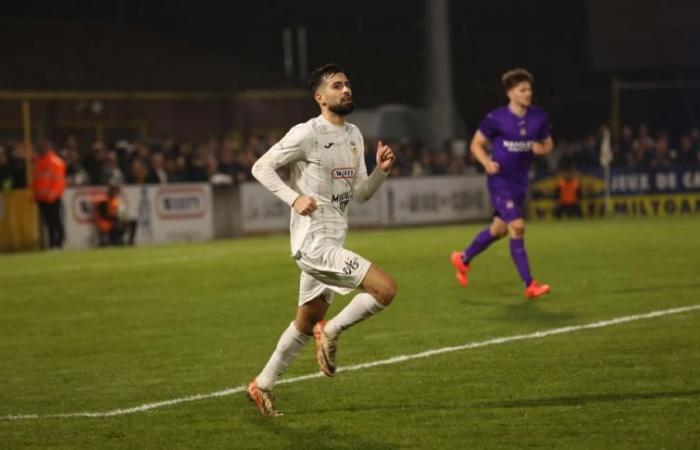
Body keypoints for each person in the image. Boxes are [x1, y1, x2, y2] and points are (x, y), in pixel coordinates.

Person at [247, 63, 397, 416]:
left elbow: (360, 194)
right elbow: (260, 167)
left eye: (347, 84)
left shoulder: (355, 135)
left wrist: (380, 173)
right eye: (336, 86)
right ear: (320, 97)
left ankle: (262, 384)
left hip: (334, 241)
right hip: (314, 243)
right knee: (385, 289)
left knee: (304, 322)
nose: (345, 90)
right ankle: (330, 331)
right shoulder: (306, 133)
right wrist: (294, 198)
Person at [451, 68, 553, 299]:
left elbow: (548, 144)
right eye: (522, 89)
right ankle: (530, 284)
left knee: (498, 230)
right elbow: (475, 144)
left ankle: (463, 258)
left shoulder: (539, 117)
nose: (528, 93)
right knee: (516, 226)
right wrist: (486, 162)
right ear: (510, 93)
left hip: (520, 183)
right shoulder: (495, 118)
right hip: (500, 181)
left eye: (529, 89)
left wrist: (542, 148)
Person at [33, 140, 66, 249]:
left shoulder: (56, 162)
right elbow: (36, 180)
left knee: (55, 222)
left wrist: (52, 195)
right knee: (48, 223)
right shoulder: (38, 162)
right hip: (42, 199)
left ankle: (58, 243)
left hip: (53, 198)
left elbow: (59, 181)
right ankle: (52, 243)